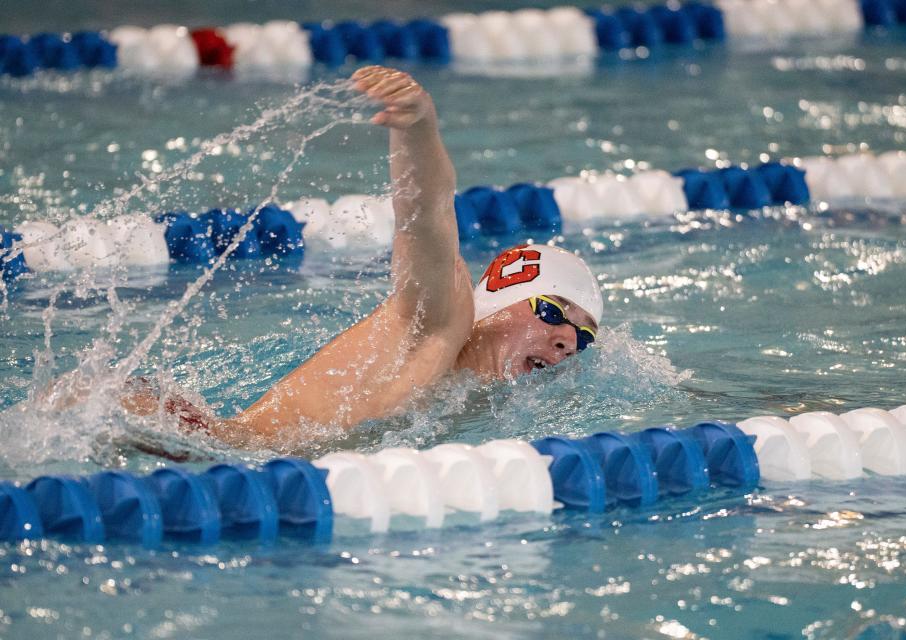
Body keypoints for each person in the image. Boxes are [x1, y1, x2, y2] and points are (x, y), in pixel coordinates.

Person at [127, 65, 603, 450]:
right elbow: (424, 214)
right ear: (502, 296)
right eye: (552, 311)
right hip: (200, 440)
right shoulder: (440, 317)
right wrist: (419, 126)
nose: (566, 341)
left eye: (583, 335)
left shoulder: (481, 394)